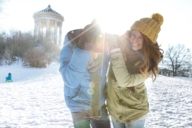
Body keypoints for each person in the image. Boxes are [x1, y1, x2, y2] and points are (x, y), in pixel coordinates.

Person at [106, 13, 164, 128]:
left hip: (135, 112)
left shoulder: (149, 63)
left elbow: (124, 81)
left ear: (147, 41)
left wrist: (115, 51)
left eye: (140, 37)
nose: (134, 40)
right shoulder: (120, 47)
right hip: (115, 109)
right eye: (133, 35)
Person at [59, 21, 110, 128]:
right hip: (78, 105)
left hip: (98, 104)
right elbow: (70, 80)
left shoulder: (104, 44)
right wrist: (84, 52)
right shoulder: (71, 44)